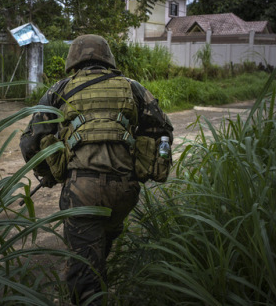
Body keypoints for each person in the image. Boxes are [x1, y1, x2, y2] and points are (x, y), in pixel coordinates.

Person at [20, 34, 173, 305]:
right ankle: (100, 285)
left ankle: (91, 291)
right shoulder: (133, 87)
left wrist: (51, 173)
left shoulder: (60, 89)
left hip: (82, 192)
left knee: (84, 273)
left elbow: (31, 141)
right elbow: (162, 130)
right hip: (125, 191)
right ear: (107, 57)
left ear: (73, 60)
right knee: (100, 246)